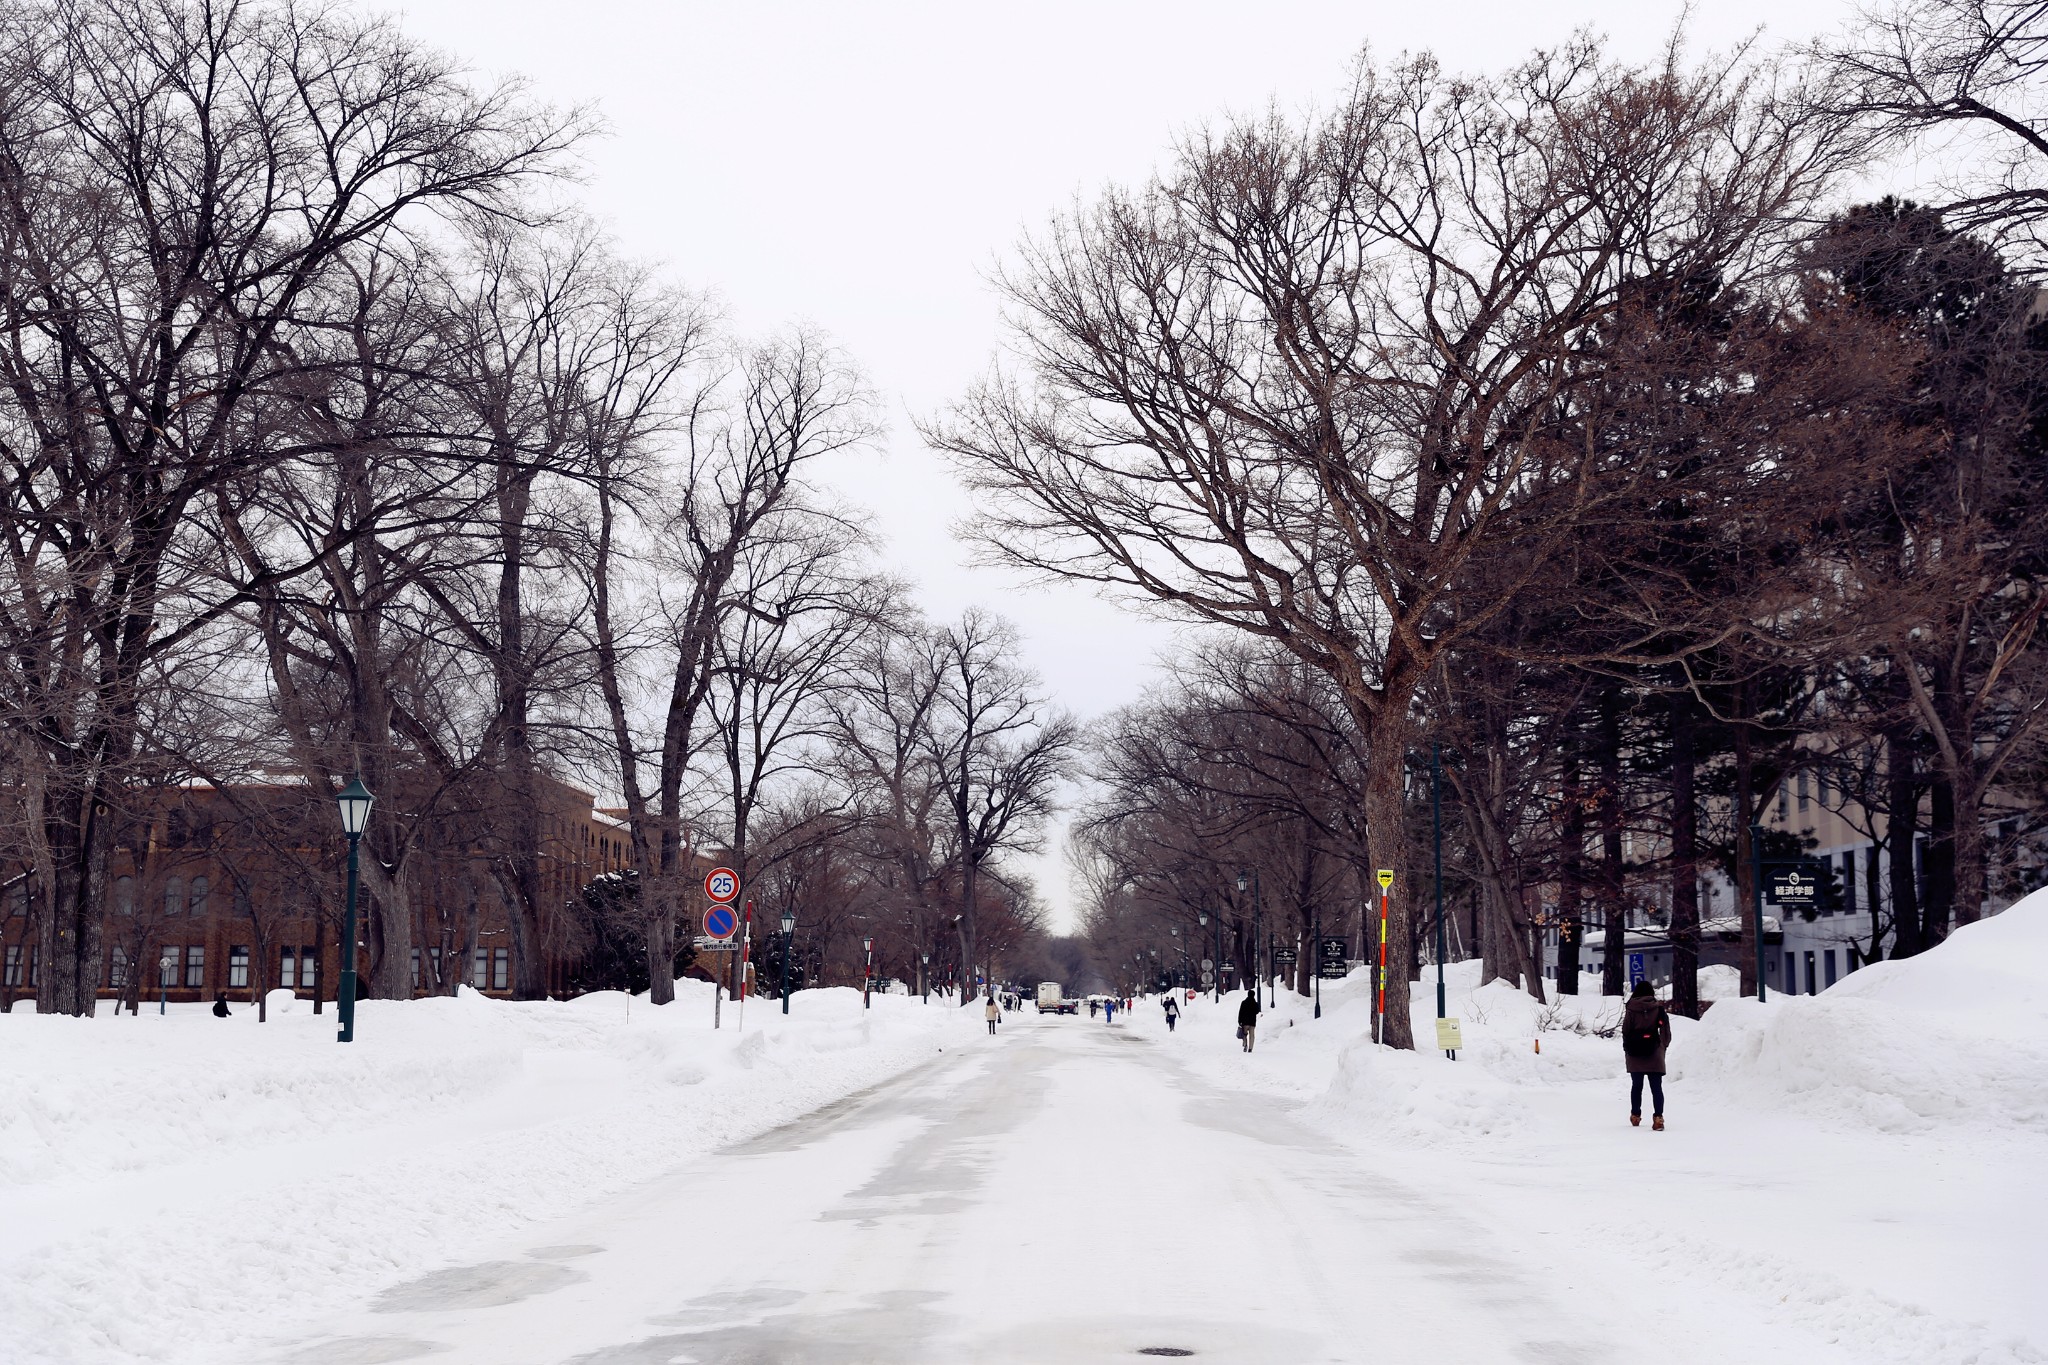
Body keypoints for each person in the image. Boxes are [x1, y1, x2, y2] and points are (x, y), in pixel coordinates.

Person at [1621, 980, 1673, 1130]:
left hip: (1635, 1052)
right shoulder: (1658, 1009)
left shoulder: (1631, 1009)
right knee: (1656, 1087)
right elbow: (1665, 1031)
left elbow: (1626, 1030)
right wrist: (1662, 1046)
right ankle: (1658, 1118)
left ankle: (1635, 1116)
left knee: (1636, 1086)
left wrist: (1628, 1047)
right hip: (1654, 1051)